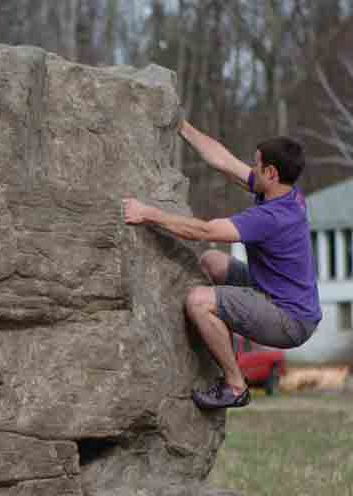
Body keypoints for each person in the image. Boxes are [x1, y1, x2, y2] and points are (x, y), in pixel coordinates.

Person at [122, 118, 321, 410]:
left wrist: (149, 213)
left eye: (256, 164)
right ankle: (217, 336)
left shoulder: (272, 218)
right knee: (212, 261)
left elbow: (207, 231)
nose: (251, 169)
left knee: (198, 301)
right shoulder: (283, 192)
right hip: (272, 292)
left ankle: (235, 385)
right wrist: (182, 127)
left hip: (288, 320)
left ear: (271, 172)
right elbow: (223, 161)